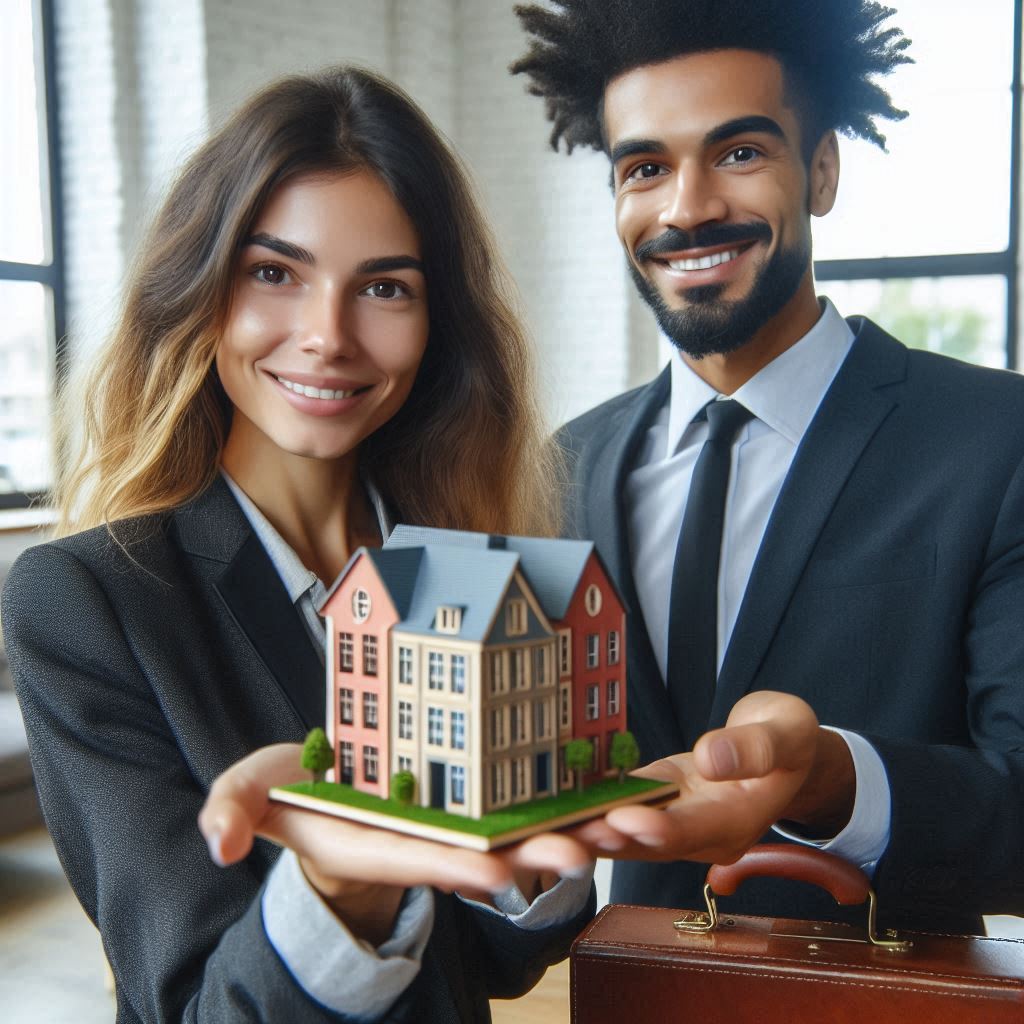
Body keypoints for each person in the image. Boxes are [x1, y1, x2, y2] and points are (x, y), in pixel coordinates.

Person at [1, 66, 595, 1022]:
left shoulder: (462, 572)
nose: (327, 336)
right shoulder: (89, 601)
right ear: (203, 291)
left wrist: (535, 836)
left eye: (385, 288)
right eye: (275, 272)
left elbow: (493, 961)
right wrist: (337, 890)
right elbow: (196, 1005)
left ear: (437, 325)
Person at [511, 0, 1024, 934]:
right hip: (630, 991)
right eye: (645, 168)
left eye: (740, 152)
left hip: (888, 994)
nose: (688, 208)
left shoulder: (997, 441)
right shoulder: (565, 468)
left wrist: (833, 779)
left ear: (821, 170)